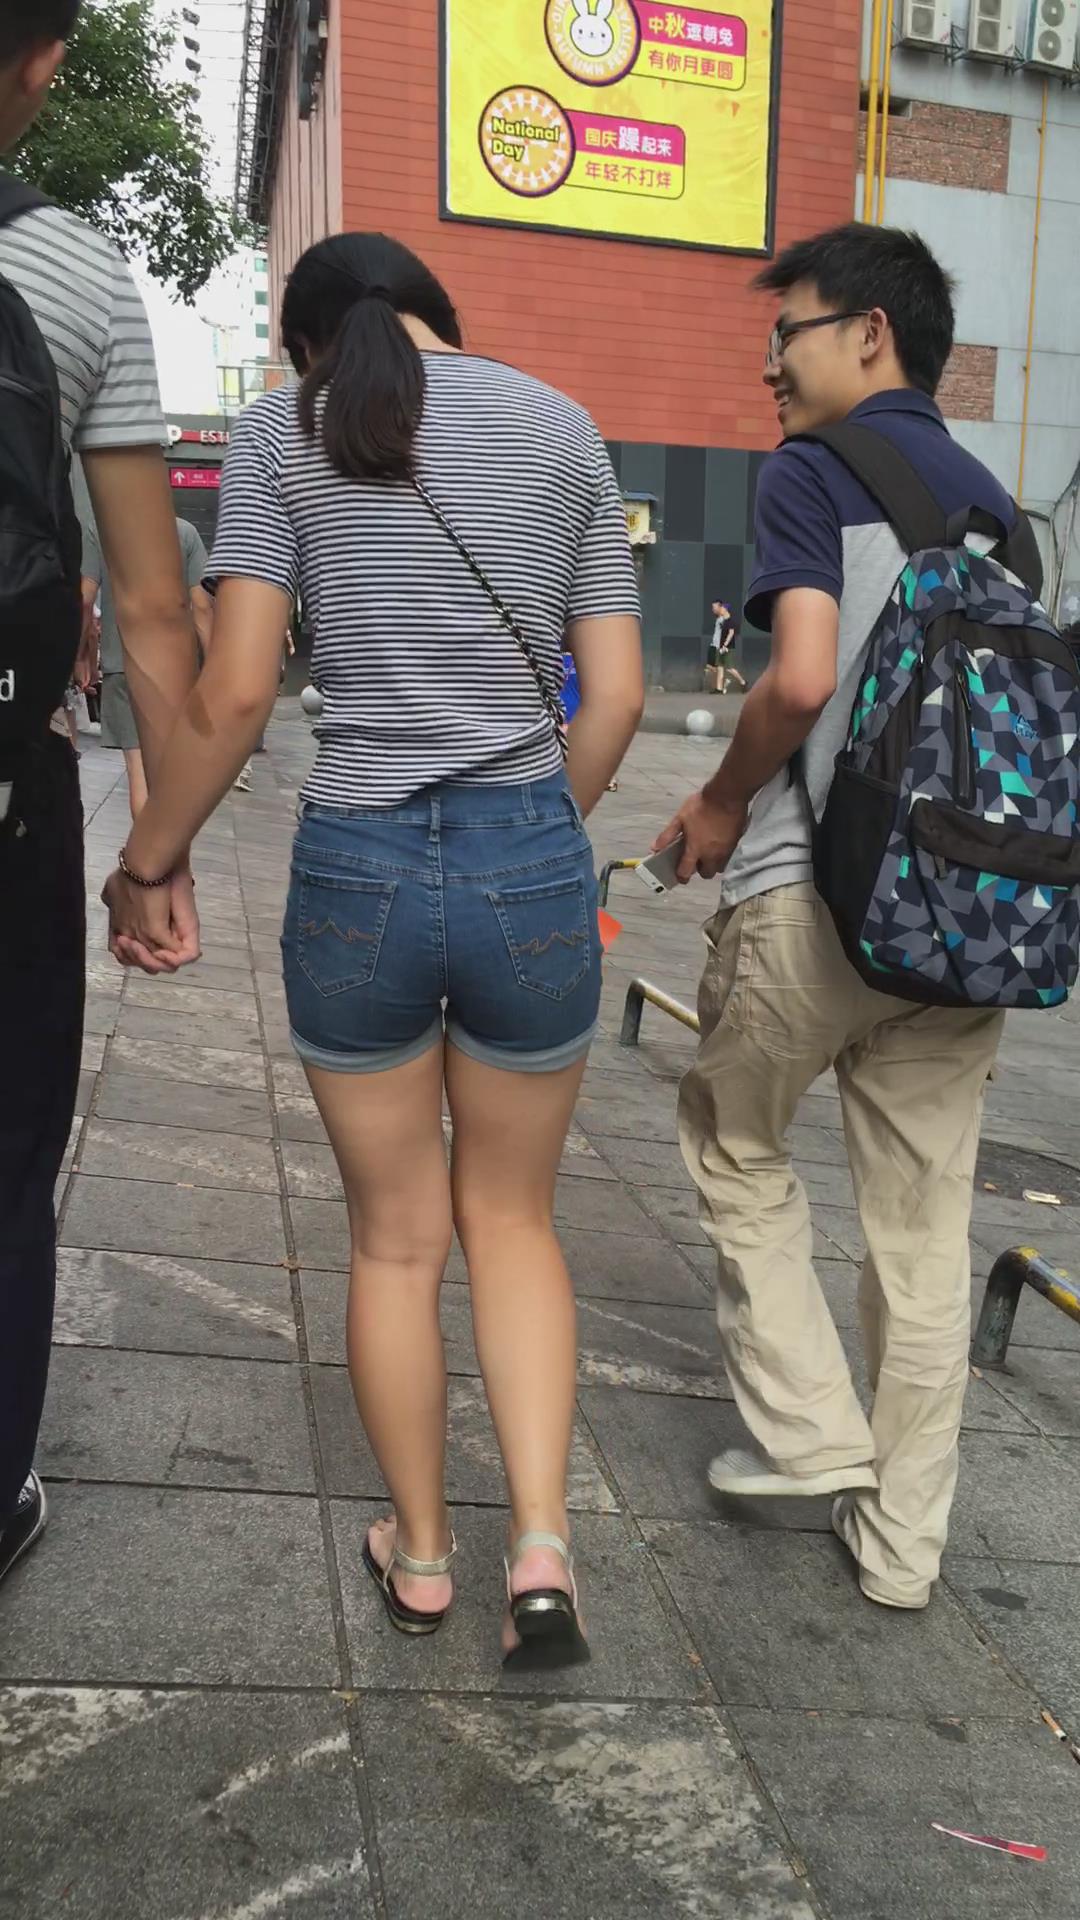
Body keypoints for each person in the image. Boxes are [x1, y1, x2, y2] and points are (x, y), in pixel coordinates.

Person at [102, 231, 644, 1664]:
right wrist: (535, 831)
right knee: (515, 1221)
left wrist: (148, 858)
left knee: (397, 1241)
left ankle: (421, 1555)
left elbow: (236, 691)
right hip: (530, 857)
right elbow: (618, 695)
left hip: (358, 864)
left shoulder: (283, 432)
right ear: (433, 312)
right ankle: (543, 1550)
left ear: (308, 343)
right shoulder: (563, 427)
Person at [654, 222, 1014, 1612]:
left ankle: (810, 1431)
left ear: (869, 333)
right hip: (963, 921)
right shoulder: (1003, 514)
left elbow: (800, 680)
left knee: (733, 1137)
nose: (769, 364)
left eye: (786, 331)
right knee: (922, 1232)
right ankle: (903, 1550)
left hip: (812, 893)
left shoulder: (813, 468)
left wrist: (718, 800)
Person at [0, 0, 200, 1590]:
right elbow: (149, 605)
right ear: (46, 59)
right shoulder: (72, 273)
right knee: (11, 1154)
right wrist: (157, 849)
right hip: (10, 794)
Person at [82, 514, 213, 816]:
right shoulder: (186, 532)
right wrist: (213, 667)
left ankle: (144, 847)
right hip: (177, 671)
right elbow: (202, 606)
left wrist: (81, 657)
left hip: (123, 664)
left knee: (138, 770)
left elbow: (85, 599)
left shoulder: (100, 529)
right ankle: (169, 845)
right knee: (171, 774)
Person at [705, 600, 746, 694]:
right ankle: (719, 689)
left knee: (729, 668)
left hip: (726, 648)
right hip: (719, 646)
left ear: (725, 609)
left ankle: (743, 682)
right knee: (720, 667)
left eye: (722, 608)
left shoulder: (730, 621)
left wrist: (725, 645)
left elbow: (731, 633)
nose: (720, 610)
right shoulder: (722, 620)